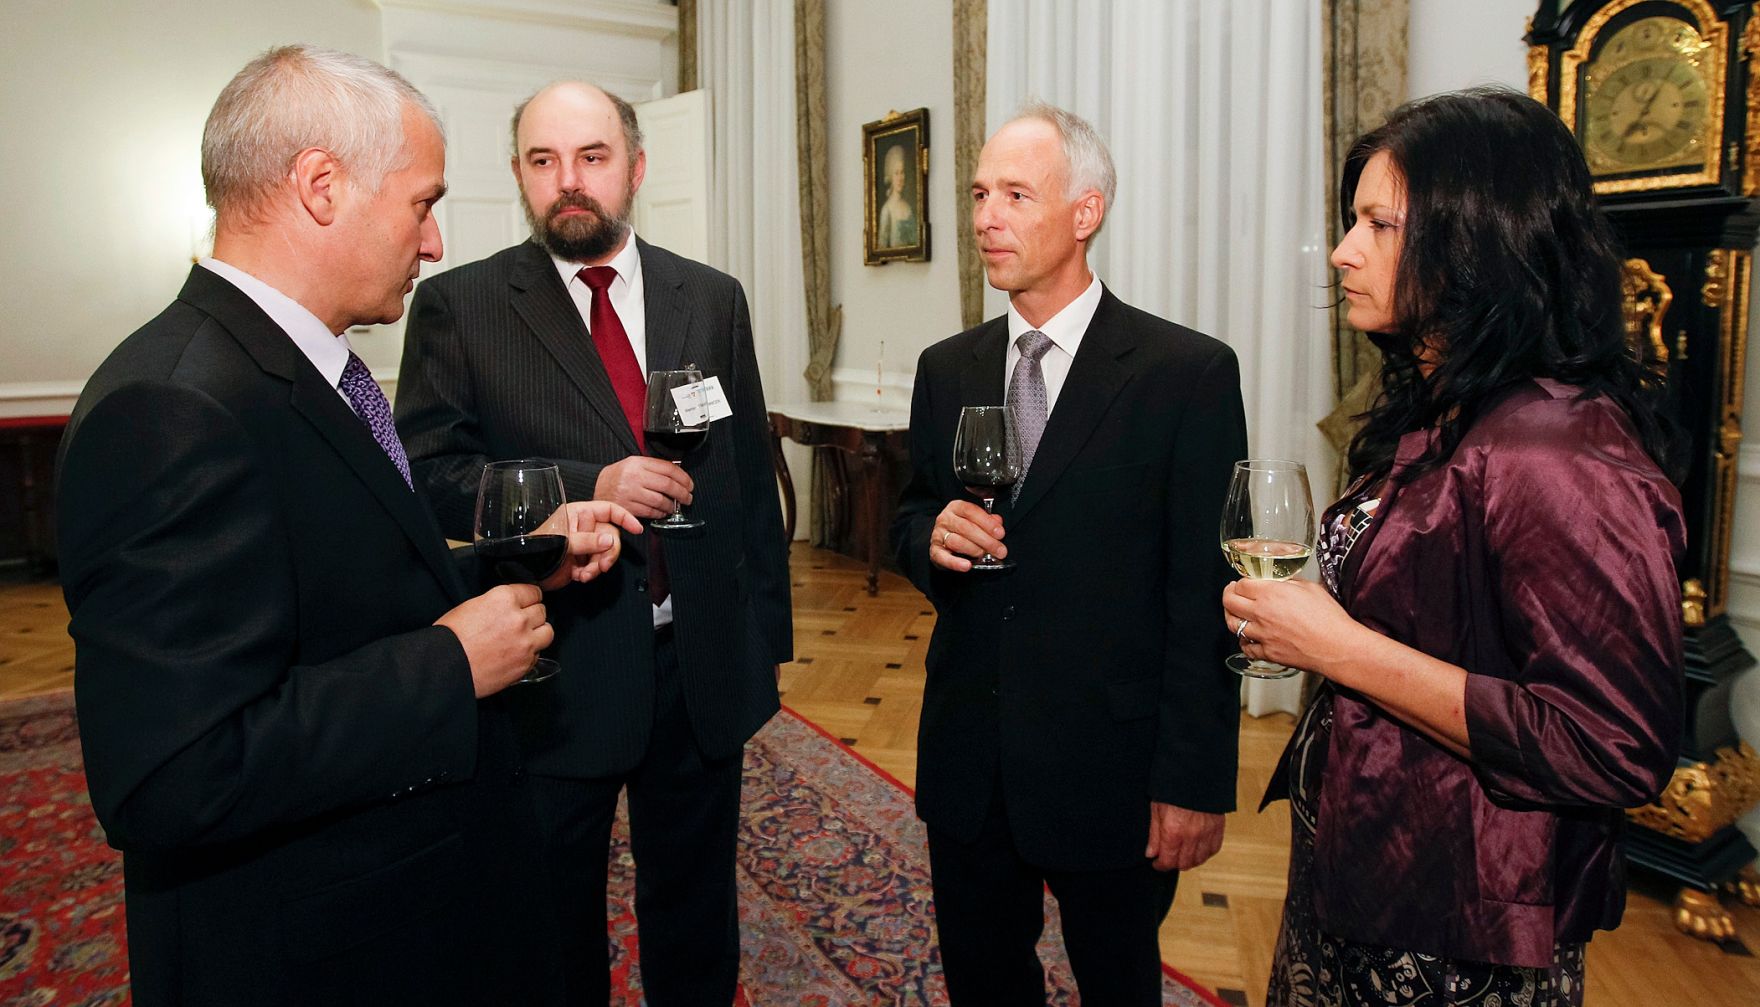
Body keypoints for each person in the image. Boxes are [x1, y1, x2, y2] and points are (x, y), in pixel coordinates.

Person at [56, 45, 639, 1007]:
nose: (437, 242)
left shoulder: (301, 363)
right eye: (422, 203)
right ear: (321, 187)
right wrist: (449, 665)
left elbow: (337, 581)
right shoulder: (170, 408)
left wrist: (525, 556)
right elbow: (172, 776)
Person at [1222, 88, 1685, 1007]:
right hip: (1372, 868)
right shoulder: (1450, 405)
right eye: (1351, 221)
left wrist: (1340, 649)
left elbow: (1615, 744)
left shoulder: (1556, 453)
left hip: (1455, 929)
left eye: (1379, 225)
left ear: (1479, 240)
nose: (1345, 252)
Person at [394, 81, 792, 1005]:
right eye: (543, 161)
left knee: (695, 906)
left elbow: (741, 486)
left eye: (592, 157)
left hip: (696, 663)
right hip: (556, 668)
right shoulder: (463, 305)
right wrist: (588, 486)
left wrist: (760, 643)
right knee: (550, 914)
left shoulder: (713, 298)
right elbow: (431, 476)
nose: (568, 182)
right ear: (520, 177)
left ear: (637, 167)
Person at [890, 102, 1248, 1005]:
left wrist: (1195, 781)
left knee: (1119, 983)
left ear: (1085, 212)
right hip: (971, 760)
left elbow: (1202, 595)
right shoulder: (948, 367)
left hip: (1112, 770)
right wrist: (929, 537)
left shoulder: (1186, 375)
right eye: (978, 193)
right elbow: (909, 516)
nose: (985, 217)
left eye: (1015, 193)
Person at [878, 141, 917, 247]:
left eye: (902, 172)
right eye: (896, 173)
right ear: (891, 177)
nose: (900, 178)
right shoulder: (887, 209)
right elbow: (882, 247)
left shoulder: (908, 207)